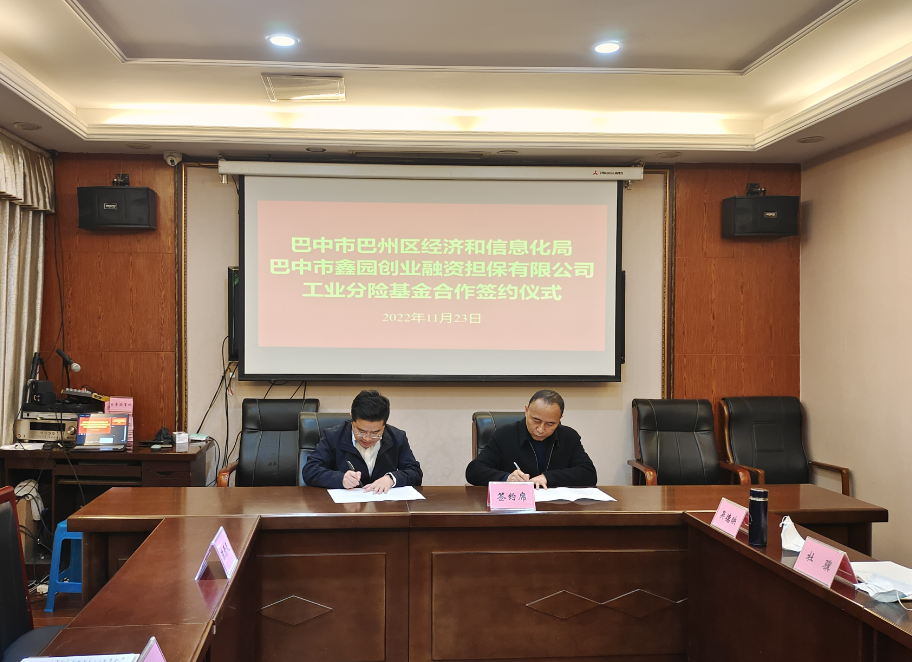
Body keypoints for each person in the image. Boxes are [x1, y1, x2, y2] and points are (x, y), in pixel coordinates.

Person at [465, 390, 596, 488]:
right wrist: (507, 478)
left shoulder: (569, 437)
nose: (541, 429)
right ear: (526, 411)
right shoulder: (505, 435)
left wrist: (548, 478)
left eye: (550, 424)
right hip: (515, 508)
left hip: (554, 508)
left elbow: (589, 474)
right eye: (536, 420)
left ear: (559, 418)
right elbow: (474, 471)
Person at [302, 390, 423, 493]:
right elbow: (310, 470)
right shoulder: (333, 436)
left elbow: (415, 472)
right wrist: (341, 478)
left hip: (383, 506)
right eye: (361, 431)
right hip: (345, 508)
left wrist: (391, 479)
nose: (367, 438)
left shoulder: (397, 438)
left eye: (376, 432)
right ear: (352, 417)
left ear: (384, 424)